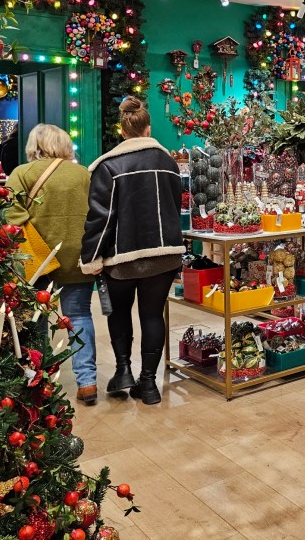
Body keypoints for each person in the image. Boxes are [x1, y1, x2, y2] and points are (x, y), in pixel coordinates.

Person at [80, 97, 183, 405]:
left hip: (121, 257)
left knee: (119, 313)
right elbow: (174, 207)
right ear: (148, 128)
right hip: (164, 255)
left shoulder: (108, 166)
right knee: (152, 315)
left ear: (123, 131)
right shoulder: (169, 164)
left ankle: (123, 370)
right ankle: (148, 384)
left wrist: (91, 258)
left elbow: (100, 218)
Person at [4, 124, 97, 404]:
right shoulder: (83, 174)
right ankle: (88, 382)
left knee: (37, 320)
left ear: (34, 145)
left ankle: (40, 382)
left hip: (37, 259)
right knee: (79, 316)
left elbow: (10, 215)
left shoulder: (21, 174)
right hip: (78, 257)